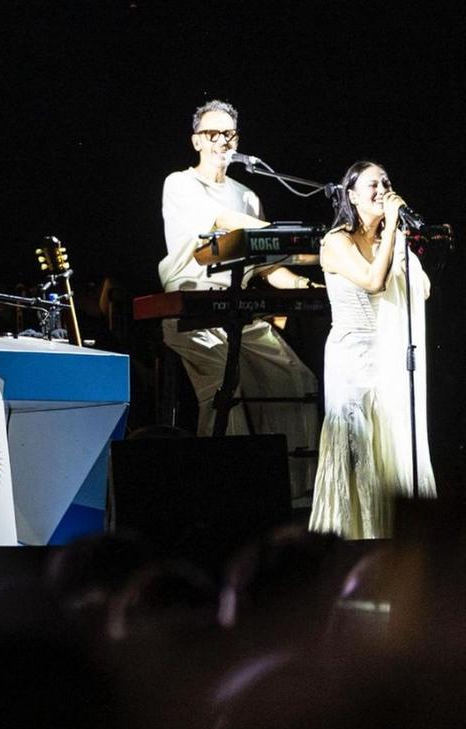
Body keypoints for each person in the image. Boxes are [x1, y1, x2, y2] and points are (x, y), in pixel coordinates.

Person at [158, 99, 319, 497]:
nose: (222, 141)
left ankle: (295, 491)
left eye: (228, 134)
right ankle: (225, 493)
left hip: (239, 309)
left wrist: (304, 282)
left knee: (296, 378)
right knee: (226, 386)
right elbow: (224, 225)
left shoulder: (247, 196)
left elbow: (265, 266)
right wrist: (282, 234)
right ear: (197, 141)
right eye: (212, 133)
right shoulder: (179, 183)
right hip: (194, 308)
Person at [309, 161, 435, 539]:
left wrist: (398, 241)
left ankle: (391, 537)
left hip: (389, 358)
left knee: (389, 448)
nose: (383, 191)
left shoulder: (389, 242)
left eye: (387, 183)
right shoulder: (336, 241)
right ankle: (353, 540)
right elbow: (373, 281)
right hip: (351, 359)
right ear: (351, 195)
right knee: (357, 449)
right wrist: (393, 227)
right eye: (373, 185)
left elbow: (423, 289)